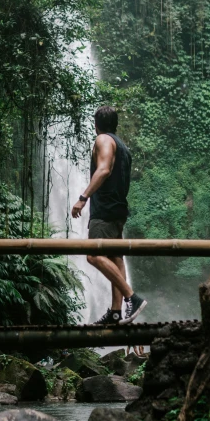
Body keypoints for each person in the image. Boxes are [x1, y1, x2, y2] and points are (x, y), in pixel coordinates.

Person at [71, 105, 147, 325]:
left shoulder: (103, 140)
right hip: (118, 210)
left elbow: (103, 170)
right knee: (116, 258)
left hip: (104, 211)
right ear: (115, 124)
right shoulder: (122, 146)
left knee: (93, 255)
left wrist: (83, 198)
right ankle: (116, 313)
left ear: (96, 125)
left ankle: (132, 297)